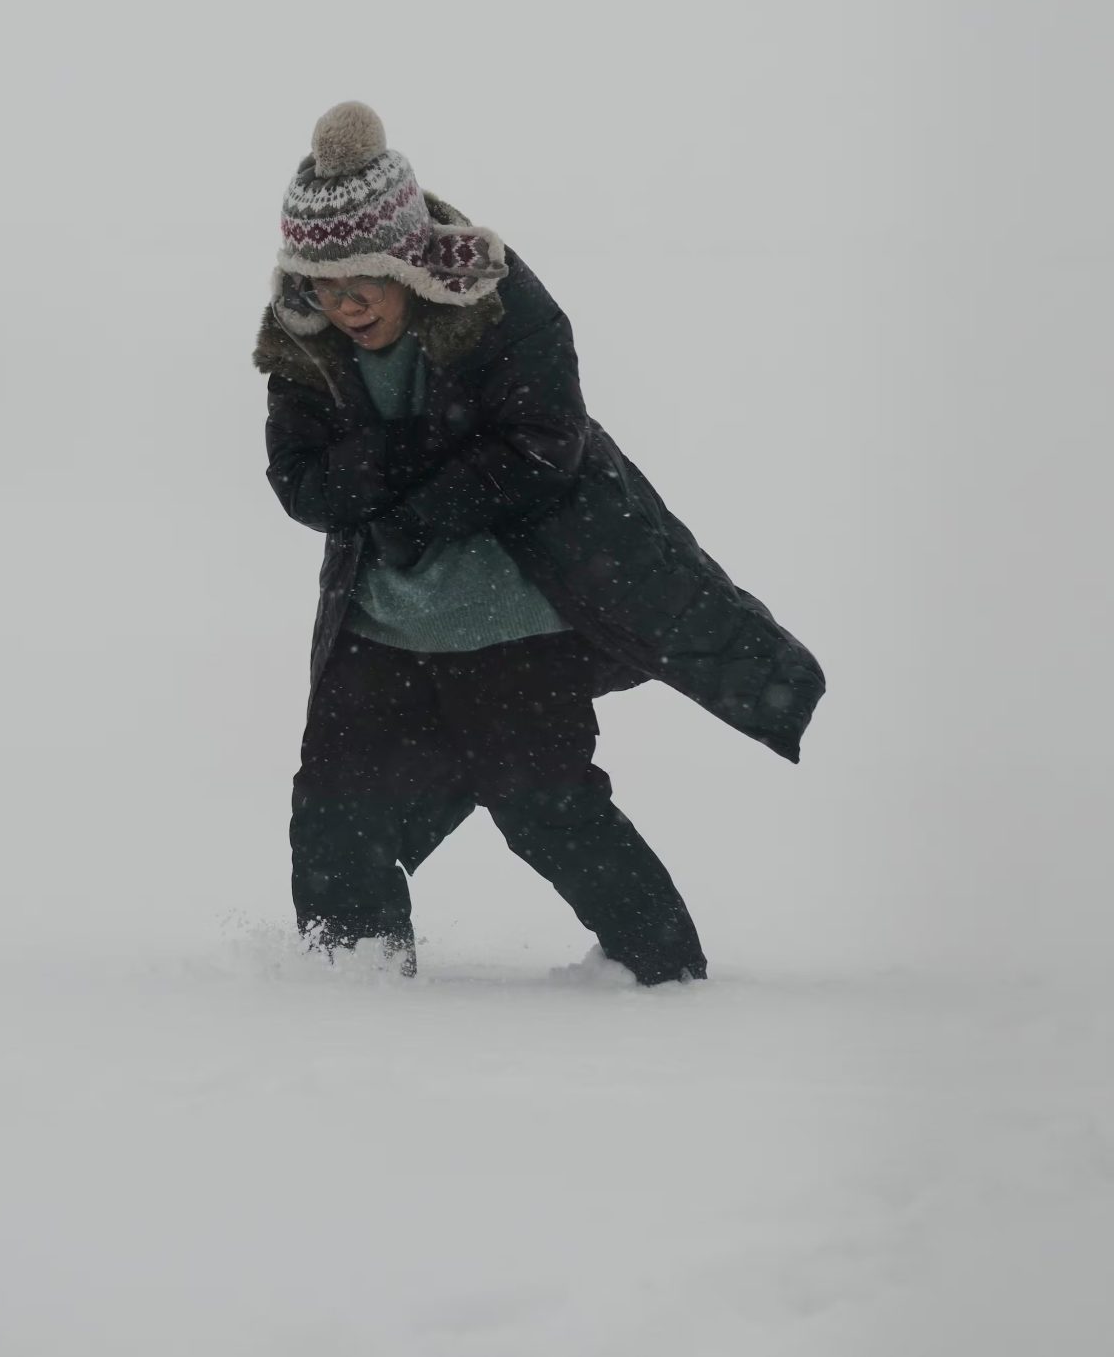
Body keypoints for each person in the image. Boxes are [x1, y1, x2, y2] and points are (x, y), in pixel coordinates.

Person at [253, 101, 826, 985]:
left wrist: (406, 506)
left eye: (363, 275)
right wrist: (413, 452)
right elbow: (302, 483)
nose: (346, 300)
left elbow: (543, 451)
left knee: (549, 808)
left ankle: (665, 978)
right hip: (378, 627)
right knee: (337, 813)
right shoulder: (303, 341)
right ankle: (348, 987)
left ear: (406, 257)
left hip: (514, 621)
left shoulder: (503, 305)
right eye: (324, 281)